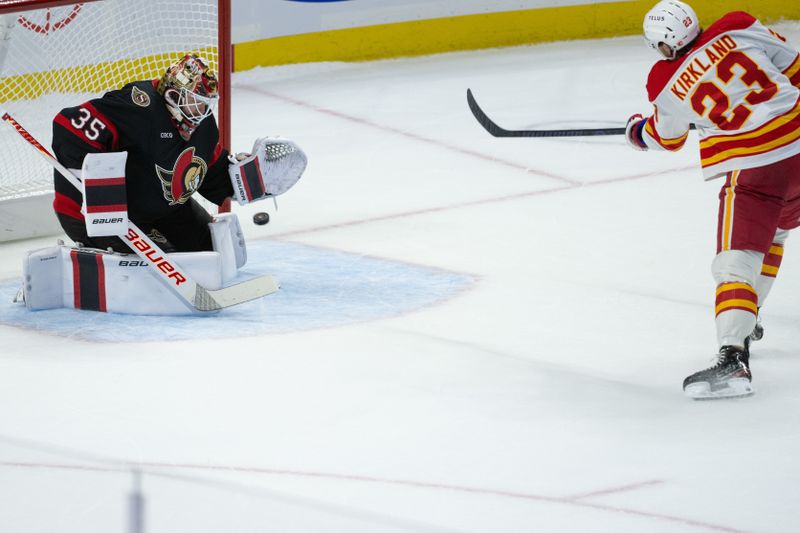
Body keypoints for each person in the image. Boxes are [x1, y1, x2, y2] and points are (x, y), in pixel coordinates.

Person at [625, 1, 800, 398]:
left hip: (757, 168)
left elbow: (666, 138)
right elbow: (795, 70)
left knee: (735, 262)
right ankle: (748, 312)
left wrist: (637, 133)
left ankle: (733, 356)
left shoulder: (663, 79)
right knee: (776, 233)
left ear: (667, 45)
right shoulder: (737, 25)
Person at [51, 53, 305, 255]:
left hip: (170, 210)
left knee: (216, 253)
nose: (203, 111)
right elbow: (67, 124)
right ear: (174, 94)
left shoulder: (202, 124)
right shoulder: (140, 107)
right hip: (123, 216)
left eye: (207, 104)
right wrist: (92, 190)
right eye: (197, 102)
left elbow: (210, 172)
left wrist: (250, 181)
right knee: (168, 265)